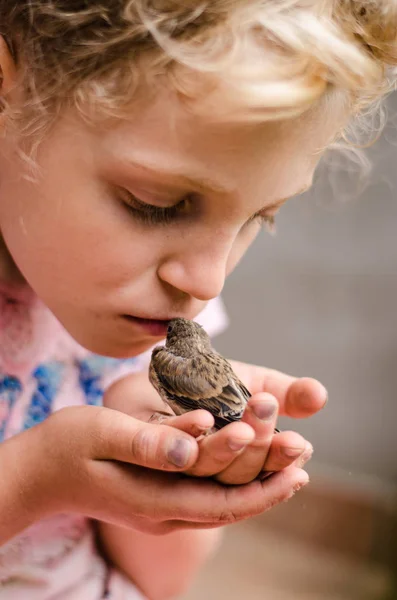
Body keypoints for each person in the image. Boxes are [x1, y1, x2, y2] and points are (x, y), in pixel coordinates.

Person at [0, 1, 394, 599]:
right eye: (155, 202)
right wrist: (35, 479)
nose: (208, 282)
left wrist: (170, 475)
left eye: (262, 216)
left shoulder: (164, 324)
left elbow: (164, 582)